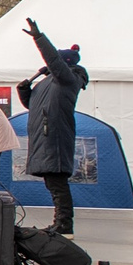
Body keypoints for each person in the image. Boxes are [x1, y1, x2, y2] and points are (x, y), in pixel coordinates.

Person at [17, 18, 88, 234]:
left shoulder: (68, 79)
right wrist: (25, 90)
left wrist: (39, 38)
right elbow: (34, 106)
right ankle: (61, 221)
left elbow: (54, 61)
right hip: (45, 136)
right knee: (53, 183)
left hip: (54, 136)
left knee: (57, 184)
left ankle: (65, 223)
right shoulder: (48, 83)